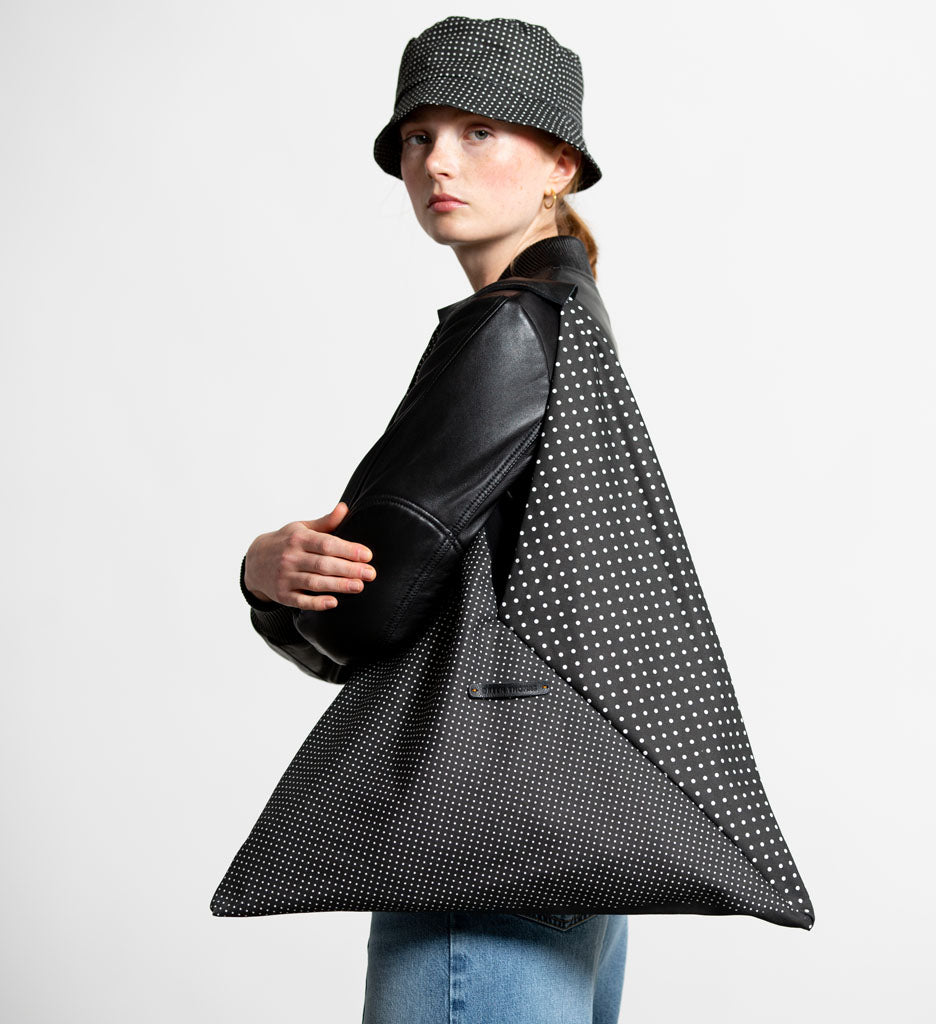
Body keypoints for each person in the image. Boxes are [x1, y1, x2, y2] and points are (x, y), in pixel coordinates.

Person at [237, 17, 628, 1024]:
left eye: (478, 132)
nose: (437, 162)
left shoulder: (510, 325)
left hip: (476, 842)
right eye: (418, 137)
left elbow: (364, 606)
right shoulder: (574, 312)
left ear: (560, 164)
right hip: (566, 825)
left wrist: (263, 577)